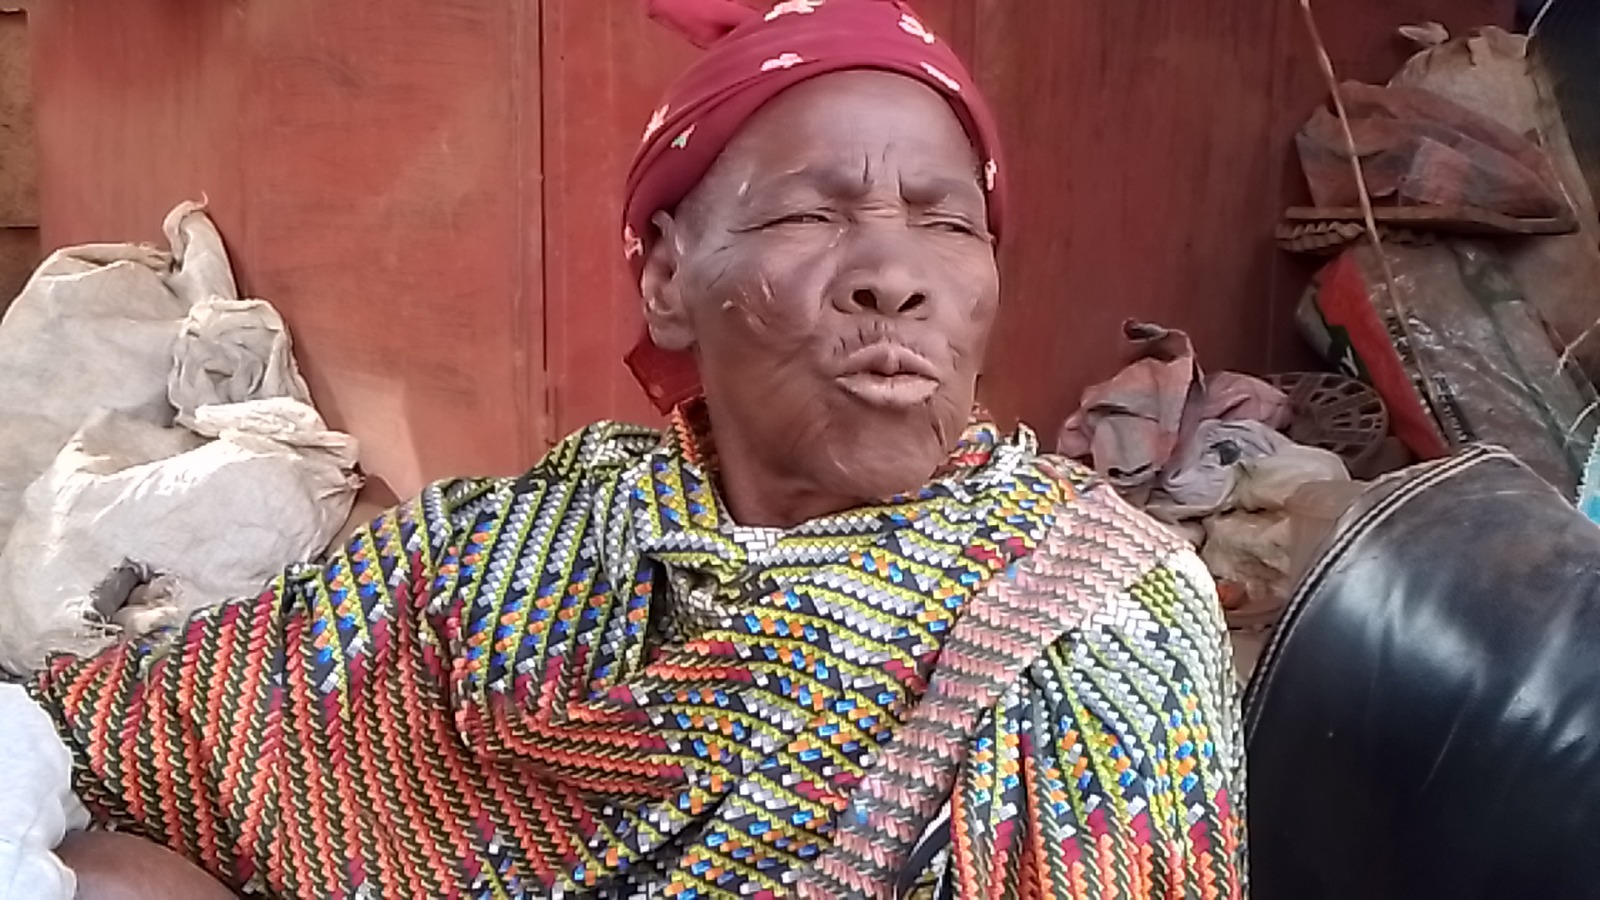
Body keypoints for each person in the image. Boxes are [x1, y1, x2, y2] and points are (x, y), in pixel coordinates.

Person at [0, 1, 1245, 897]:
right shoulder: (505, 553)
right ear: (666, 282)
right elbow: (120, 750)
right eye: (811, 212)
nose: (892, 274)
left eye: (947, 224)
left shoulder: (1097, 620)